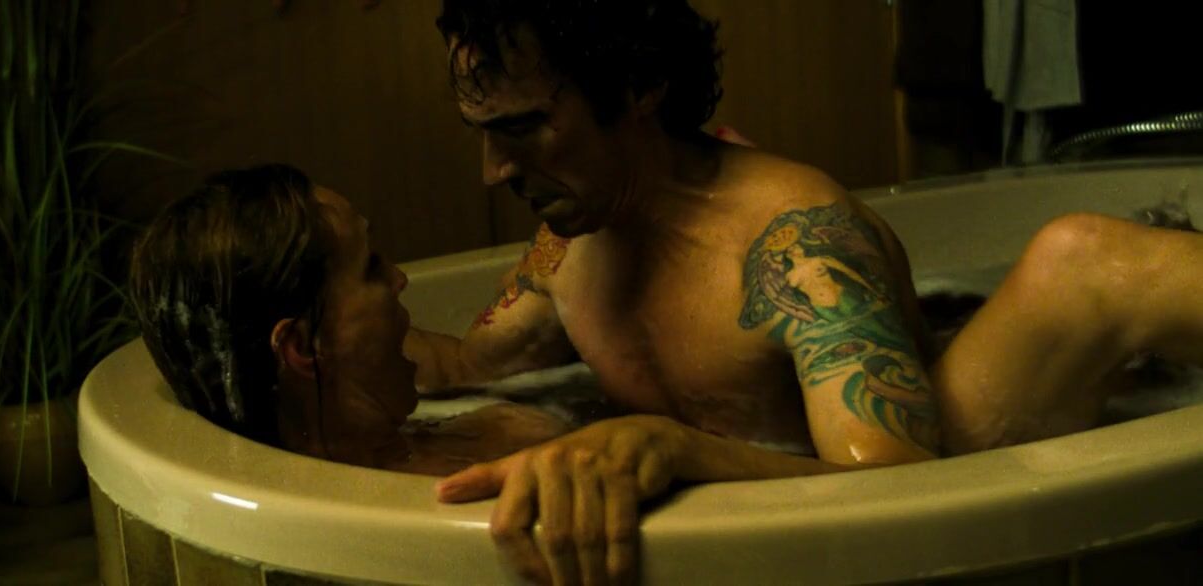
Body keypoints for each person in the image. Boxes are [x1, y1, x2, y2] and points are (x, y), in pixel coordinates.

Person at [398, 1, 1203, 584]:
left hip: (933, 497)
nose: (493, 172)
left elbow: (904, 496)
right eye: (483, 133)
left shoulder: (796, 244)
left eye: (521, 128)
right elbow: (464, 367)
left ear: (640, 86)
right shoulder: (570, 244)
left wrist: (675, 448)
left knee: (1083, 263)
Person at [128, 164, 574, 476]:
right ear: (301, 348)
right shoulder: (456, 481)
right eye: (371, 268)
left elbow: (470, 364)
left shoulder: (320, 387)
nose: (399, 279)